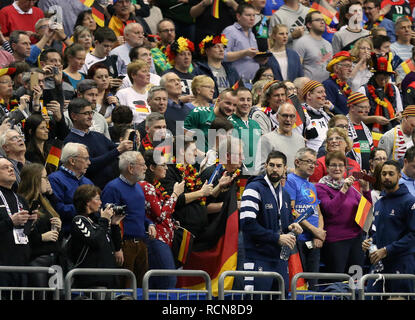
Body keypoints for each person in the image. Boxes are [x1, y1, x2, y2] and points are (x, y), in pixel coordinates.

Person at [240, 150, 303, 294]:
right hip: (257, 258)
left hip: (280, 261)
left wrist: (293, 229)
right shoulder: (253, 188)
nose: (275, 169)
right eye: (271, 165)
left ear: (285, 168)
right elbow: (247, 224)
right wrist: (277, 237)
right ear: (266, 166)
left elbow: (283, 227)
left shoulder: (285, 195)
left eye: (279, 166)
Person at [101, 151, 156, 288]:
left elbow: (139, 214)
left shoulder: (138, 187)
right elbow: (109, 220)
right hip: (124, 245)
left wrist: (149, 224)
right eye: (142, 165)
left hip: (141, 243)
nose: (145, 168)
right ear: (131, 168)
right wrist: (117, 247)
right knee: (124, 288)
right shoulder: (112, 188)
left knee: (141, 287)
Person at [362, 160, 415, 295]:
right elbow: (376, 232)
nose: (386, 177)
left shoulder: (409, 202)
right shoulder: (379, 203)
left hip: (402, 263)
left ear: (399, 176)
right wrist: (370, 242)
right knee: (372, 297)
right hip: (379, 263)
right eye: (384, 174)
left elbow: (413, 235)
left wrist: (387, 250)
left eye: (391, 174)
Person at [315, 151, 370, 273]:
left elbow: (366, 213)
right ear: (327, 167)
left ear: (345, 168)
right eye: (333, 165)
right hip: (335, 241)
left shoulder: (352, 188)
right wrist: (343, 189)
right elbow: (330, 210)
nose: (337, 168)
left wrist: (366, 190)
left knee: (356, 281)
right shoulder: (321, 187)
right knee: (338, 282)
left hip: (356, 240)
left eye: (340, 165)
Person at [63, 98, 133, 190]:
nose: (90, 117)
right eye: (86, 113)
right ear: (74, 116)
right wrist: (118, 150)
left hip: (111, 187)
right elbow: (89, 165)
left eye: (91, 112)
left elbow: (116, 149)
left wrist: (131, 142)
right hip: (92, 191)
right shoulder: (71, 142)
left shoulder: (98, 135)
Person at [140, 150, 185, 288]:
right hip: (156, 240)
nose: (166, 168)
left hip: (163, 240)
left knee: (163, 283)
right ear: (152, 167)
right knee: (168, 282)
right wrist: (175, 194)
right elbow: (160, 215)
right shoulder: (146, 186)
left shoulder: (152, 186)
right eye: (163, 165)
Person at [284, 147, 325, 290]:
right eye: (308, 161)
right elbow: (292, 210)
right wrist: (314, 230)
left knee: (313, 284)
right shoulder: (290, 180)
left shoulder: (311, 186)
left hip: (314, 240)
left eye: (314, 163)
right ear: (297, 162)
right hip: (299, 240)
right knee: (299, 283)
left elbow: (319, 213)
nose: (312, 165)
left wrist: (319, 233)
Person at [71, 184, 124, 291]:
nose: (100, 203)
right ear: (87, 201)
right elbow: (95, 241)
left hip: (109, 279)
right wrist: (104, 220)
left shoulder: (96, 223)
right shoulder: (79, 221)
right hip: (93, 281)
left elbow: (114, 246)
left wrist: (114, 224)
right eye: (97, 199)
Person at [18, 163, 62, 288]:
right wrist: (41, 237)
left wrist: (58, 226)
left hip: (54, 260)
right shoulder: (22, 202)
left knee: (57, 296)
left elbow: (56, 236)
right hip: (36, 260)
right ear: (35, 179)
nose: (48, 181)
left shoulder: (45, 202)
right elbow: (19, 235)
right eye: (45, 178)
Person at [160, 136, 213, 239]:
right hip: (182, 232)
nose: (196, 153)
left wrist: (219, 186)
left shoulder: (190, 170)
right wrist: (201, 192)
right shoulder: (168, 171)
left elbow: (203, 196)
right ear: (181, 151)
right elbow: (175, 200)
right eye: (193, 150)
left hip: (198, 228)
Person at [0, 157, 37, 288]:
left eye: (11, 167)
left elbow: (25, 233)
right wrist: (11, 222)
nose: (11, 169)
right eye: (5, 168)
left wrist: (30, 223)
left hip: (21, 263)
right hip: (2, 265)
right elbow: (10, 224)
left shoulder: (20, 199)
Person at [255, 102, 305, 173]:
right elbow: (260, 169)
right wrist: (288, 171)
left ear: (295, 119)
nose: (288, 119)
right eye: (285, 115)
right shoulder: (266, 140)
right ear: (277, 117)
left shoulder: (300, 140)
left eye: (291, 116)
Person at [360, 53, 403, 134]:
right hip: (369, 132)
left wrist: (398, 116)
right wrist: (375, 119)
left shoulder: (394, 89)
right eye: (381, 78)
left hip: (392, 131)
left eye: (386, 78)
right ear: (375, 76)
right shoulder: (363, 90)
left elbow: (399, 111)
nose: (383, 81)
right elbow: (358, 118)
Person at [223, 3, 260, 84]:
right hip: (237, 82)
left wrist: (260, 59)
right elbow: (223, 56)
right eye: (248, 15)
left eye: (254, 15)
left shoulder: (252, 34)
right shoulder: (230, 31)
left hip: (254, 82)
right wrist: (245, 53)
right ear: (238, 16)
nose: (252, 18)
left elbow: (252, 56)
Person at [293, 10, 333, 83]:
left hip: (326, 88)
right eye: (318, 20)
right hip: (309, 88)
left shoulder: (328, 44)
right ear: (309, 25)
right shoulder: (301, 42)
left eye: (323, 20)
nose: (322, 22)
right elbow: (296, 69)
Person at [194, 34, 239, 98]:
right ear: (207, 51)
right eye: (216, 47)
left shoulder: (232, 70)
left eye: (223, 47)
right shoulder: (199, 70)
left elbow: (238, 90)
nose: (221, 50)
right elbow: (195, 92)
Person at [230, 87, 262, 173]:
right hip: (239, 172)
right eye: (242, 100)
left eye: (248, 100)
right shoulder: (229, 122)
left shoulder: (255, 124)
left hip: (256, 171)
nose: (246, 103)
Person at [116, 60, 151, 126]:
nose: (148, 74)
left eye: (148, 71)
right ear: (133, 75)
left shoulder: (151, 95)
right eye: (144, 71)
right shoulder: (123, 93)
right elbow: (121, 119)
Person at [346, 92, 374, 172]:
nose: (367, 110)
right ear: (352, 107)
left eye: (368, 107)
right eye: (363, 107)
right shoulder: (343, 127)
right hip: (351, 177)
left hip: (366, 177)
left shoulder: (366, 128)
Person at [301, 80, 332, 152]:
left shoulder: (327, 114)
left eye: (324, 92)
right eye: (320, 92)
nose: (324, 95)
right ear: (309, 95)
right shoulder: (300, 114)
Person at [323, 51, 355, 115]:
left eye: (351, 66)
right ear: (336, 68)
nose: (350, 70)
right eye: (347, 66)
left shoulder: (345, 86)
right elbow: (329, 111)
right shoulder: (328, 85)